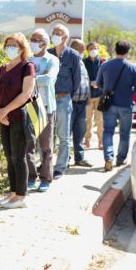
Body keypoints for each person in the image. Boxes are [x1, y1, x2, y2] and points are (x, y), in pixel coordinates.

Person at [0, 33, 36, 208]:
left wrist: (5, 110)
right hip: (4, 119)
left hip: (19, 118)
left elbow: (26, 94)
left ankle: (21, 196)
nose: (10, 48)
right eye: (8, 45)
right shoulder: (3, 68)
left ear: (22, 48)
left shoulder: (28, 67)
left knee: (18, 157)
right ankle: (12, 193)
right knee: (9, 157)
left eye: (14, 45)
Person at [96, 40, 136, 171]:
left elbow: (99, 83)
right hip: (126, 104)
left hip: (109, 104)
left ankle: (108, 157)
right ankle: (121, 159)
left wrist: (108, 90)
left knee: (108, 131)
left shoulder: (105, 65)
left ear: (115, 50)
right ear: (128, 52)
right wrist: (129, 91)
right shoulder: (133, 67)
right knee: (124, 133)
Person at [26, 29, 59, 192]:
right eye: (31, 39)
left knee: (46, 145)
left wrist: (29, 79)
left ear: (44, 43)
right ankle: (31, 177)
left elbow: (49, 79)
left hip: (45, 107)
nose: (32, 42)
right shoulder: (27, 59)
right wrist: (37, 79)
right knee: (28, 144)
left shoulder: (52, 60)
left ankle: (46, 178)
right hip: (29, 106)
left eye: (36, 39)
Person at [47, 24, 81, 179]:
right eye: (53, 32)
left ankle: (60, 167)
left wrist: (67, 96)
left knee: (63, 136)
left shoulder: (73, 55)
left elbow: (77, 80)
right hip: (48, 100)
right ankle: (46, 165)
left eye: (58, 33)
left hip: (63, 99)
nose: (54, 35)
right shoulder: (48, 53)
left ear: (65, 37)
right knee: (47, 135)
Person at [69, 39, 92, 167]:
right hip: (71, 103)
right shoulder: (69, 62)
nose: (83, 52)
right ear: (74, 49)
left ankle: (79, 158)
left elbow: (85, 81)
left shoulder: (81, 63)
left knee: (80, 132)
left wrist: (87, 100)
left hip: (82, 104)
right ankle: (65, 160)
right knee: (67, 133)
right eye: (81, 49)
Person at [83, 42, 106, 149]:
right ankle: (87, 140)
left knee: (100, 120)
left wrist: (99, 83)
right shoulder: (83, 62)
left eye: (96, 48)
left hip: (100, 95)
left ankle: (101, 141)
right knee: (88, 120)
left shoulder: (103, 62)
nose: (93, 50)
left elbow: (107, 77)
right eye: (91, 48)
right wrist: (90, 83)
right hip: (88, 96)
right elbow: (81, 78)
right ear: (87, 50)